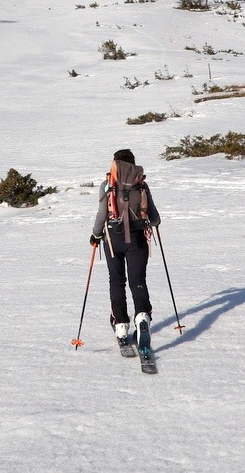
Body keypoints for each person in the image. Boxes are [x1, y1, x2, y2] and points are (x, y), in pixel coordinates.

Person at [89, 148, 160, 351]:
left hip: (113, 239)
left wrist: (95, 235)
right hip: (138, 238)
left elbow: (102, 214)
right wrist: (155, 221)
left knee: (117, 280)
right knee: (138, 280)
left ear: (115, 164)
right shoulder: (141, 184)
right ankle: (142, 318)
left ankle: (120, 325)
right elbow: (153, 217)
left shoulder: (107, 185)